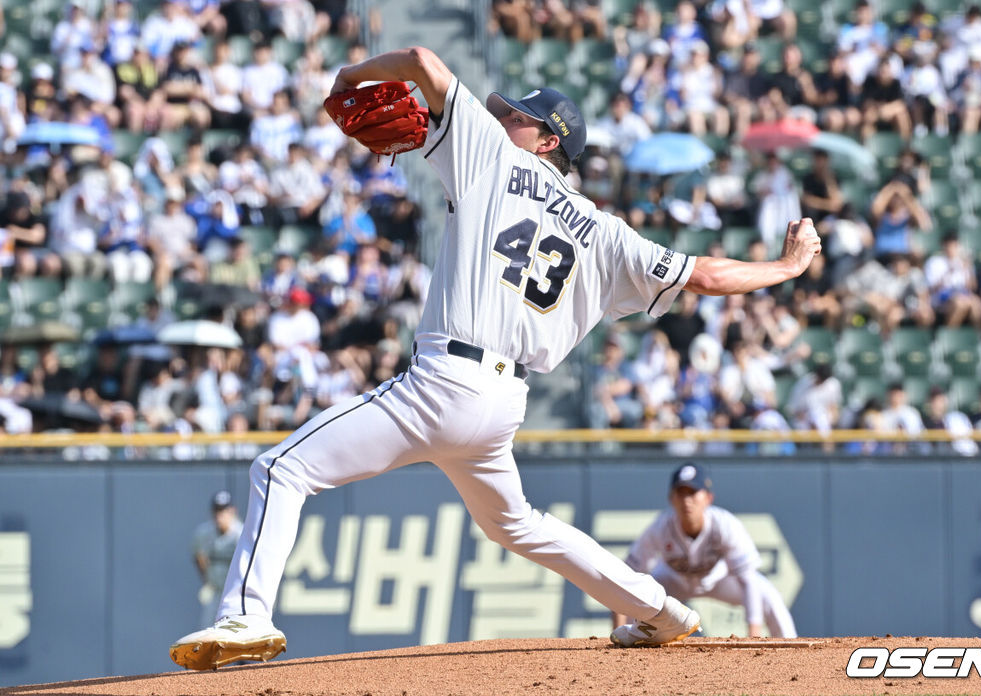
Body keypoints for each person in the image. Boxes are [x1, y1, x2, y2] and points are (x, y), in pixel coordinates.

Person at [169, 45, 822, 670]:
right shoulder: (605, 232)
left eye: (518, 116)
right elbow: (704, 274)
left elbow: (423, 64)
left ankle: (246, 616)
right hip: (502, 402)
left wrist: (350, 74)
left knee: (279, 468)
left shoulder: (489, 153)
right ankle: (660, 610)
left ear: (547, 142)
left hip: (444, 381)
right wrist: (788, 265)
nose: (501, 116)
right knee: (521, 526)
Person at [612, 463, 796, 638]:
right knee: (637, 594)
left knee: (768, 594)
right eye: (681, 493)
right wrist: (617, 627)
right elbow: (626, 578)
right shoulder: (660, 527)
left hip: (718, 579)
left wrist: (754, 634)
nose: (687, 500)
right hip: (672, 581)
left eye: (692, 492)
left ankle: (791, 654)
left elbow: (748, 579)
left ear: (708, 498)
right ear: (672, 499)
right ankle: (622, 645)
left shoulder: (724, 524)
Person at [192, 490, 243, 629]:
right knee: (207, 634)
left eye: (224, 511)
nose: (220, 516)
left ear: (233, 511)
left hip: (235, 594)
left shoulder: (241, 535)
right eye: (217, 511)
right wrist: (207, 581)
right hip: (215, 591)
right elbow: (198, 556)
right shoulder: (204, 533)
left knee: (234, 635)